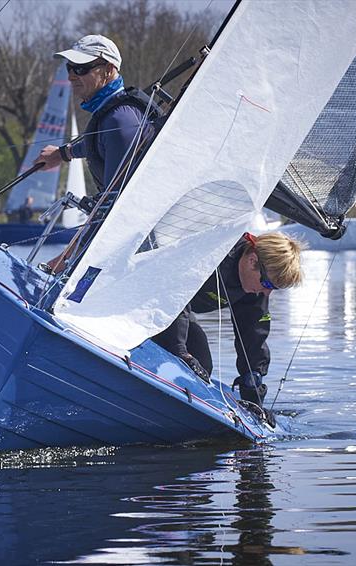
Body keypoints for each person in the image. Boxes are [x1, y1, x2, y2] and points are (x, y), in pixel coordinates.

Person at [35, 34, 156, 272]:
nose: (71, 76)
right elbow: (98, 144)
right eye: (70, 68)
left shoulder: (121, 122)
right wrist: (63, 153)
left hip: (141, 248)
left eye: (81, 68)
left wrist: (65, 261)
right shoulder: (113, 114)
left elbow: (112, 206)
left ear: (108, 70)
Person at [153, 232, 305, 420]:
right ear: (252, 261)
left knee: (202, 364)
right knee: (182, 355)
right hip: (150, 295)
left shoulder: (254, 290)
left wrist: (253, 392)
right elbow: (174, 291)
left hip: (178, 309)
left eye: (273, 288)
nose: (267, 293)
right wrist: (180, 352)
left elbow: (253, 336)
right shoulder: (215, 251)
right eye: (266, 283)